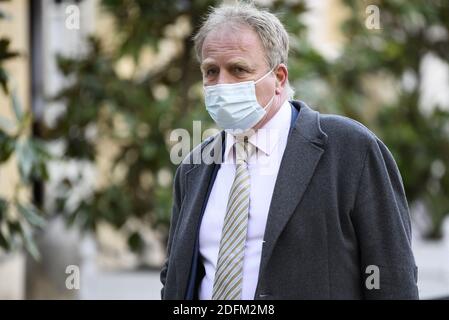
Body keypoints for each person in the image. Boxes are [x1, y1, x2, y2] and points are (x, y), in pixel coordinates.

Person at [160, 2, 419, 300]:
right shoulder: (194, 167)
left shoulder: (351, 150)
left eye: (238, 69)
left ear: (279, 78)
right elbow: (176, 278)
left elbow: (392, 277)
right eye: (211, 71)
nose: (222, 84)